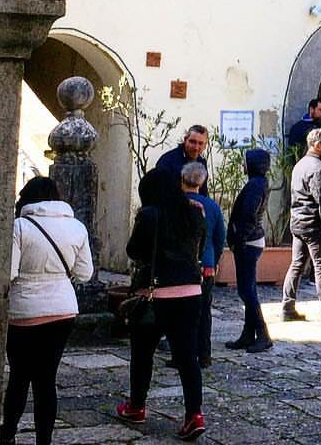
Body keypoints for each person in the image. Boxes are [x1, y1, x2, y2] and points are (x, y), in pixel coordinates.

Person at [1, 177, 94, 445]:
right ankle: (44, 440)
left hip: (24, 311)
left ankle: (8, 434)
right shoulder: (76, 227)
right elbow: (85, 274)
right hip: (62, 311)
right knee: (46, 380)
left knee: (19, 377)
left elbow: (10, 272)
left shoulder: (20, 226)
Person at [117, 168, 208, 440]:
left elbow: (134, 251)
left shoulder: (149, 215)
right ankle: (194, 414)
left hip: (155, 294)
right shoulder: (195, 211)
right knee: (187, 358)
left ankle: (136, 405)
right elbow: (198, 250)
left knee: (143, 354)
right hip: (191, 292)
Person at [281, 128, 321, 324]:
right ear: (318, 145)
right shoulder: (319, 168)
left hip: (299, 222)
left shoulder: (300, 165)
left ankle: (287, 307)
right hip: (314, 224)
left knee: (297, 265)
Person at [224, 148, 273, 353]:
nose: (242, 165)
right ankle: (247, 334)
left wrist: (239, 239)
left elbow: (249, 215)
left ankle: (263, 334)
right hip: (251, 240)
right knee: (247, 289)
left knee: (247, 291)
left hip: (249, 242)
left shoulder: (255, 185)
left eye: (245, 162)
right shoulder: (258, 183)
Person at [178, 162, 225, 368]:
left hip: (180, 265)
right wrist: (214, 261)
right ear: (202, 182)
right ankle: (204, 354)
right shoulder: (212, 206)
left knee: (180, 312)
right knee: (204, 310)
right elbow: (219, 238)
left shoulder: (175, 204)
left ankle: (180, 354)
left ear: (182, 179)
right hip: (205, 265)